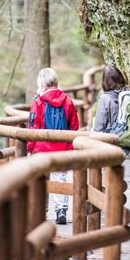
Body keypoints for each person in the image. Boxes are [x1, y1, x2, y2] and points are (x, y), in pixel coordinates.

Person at [93, 65, 130, 240]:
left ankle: (114, 223)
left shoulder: (105, 99)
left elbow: (98, 128)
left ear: (105, 81)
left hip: (112, 150)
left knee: (111, 185)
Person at [27, 68, 79, 224]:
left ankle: (39, 211)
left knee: (39, 179)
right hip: (62, 148)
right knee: (60, 178)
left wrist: (30, 149)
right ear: (57, 82)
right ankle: (61, 210)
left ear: (42, 83)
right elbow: (74, 126)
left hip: (41, 149)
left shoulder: (38, 102)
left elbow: (32, 128)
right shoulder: (68, 101)